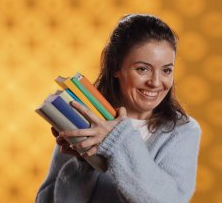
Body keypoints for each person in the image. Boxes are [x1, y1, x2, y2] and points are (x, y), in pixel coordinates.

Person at [36, 14, 202, 203]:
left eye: (166, 70)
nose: (156, 82)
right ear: (116, 67)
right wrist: (83, 164)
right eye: (142, 69)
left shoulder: (182, 131)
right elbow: (45, 199)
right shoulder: (87, 117)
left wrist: (116, 140)